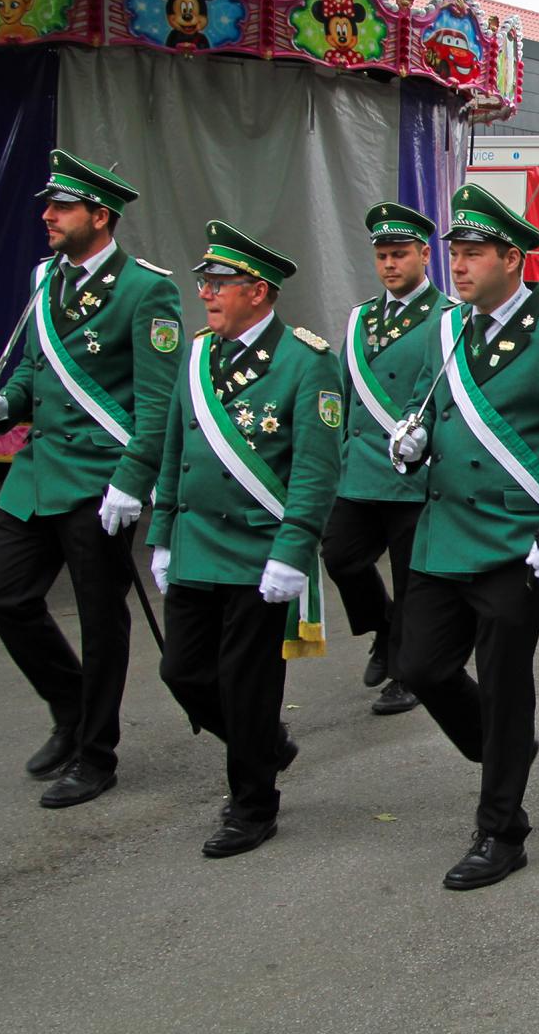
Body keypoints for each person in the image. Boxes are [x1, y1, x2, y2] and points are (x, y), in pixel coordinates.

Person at [390, 183, 539, 890]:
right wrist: (411, 440)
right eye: (453, 253)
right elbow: (425, 402)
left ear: (513, 258)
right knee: (420, 667)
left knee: (505, 684)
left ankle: (501, 830)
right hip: (445, 531)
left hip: (518, 542)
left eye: (473, 253)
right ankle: (505, 747)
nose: (457, 266)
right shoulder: (446, 329)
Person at [0, 150, 179, 808]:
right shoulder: (43, 279)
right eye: (48, 207)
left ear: (100, 216)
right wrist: (1, 405)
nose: (47, 217)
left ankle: (95, 753)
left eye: (61, 207)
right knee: (4, 597)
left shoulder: (146, 290)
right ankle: (72, 708)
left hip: (99, 479)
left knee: (101, 619)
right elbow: (34, 371)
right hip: (37, 471)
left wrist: (132, 481)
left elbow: (157, 404)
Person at [146, 222, 341, 858]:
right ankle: (266, 744)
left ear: (257, 292)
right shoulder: (197, 354)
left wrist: (295, 549)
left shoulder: (307, 363)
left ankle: (253, 804)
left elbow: (316, 470)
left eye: (219, 283)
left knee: (246, 684)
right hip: (195, 543)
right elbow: (174, 449)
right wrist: (162, 533)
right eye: (205, 282)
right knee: (182, 672)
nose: (205, 293)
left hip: (259, 552)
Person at [322, 202, 452, 716]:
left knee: (410, 577)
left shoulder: (449, 318)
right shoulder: (361, 318)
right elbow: (343, 392)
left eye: (400, 254)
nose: (390, 265)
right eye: (382, 256)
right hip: (360, 469)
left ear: (424, 255)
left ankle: (405, 674)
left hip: (413, 474)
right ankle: (383, 625)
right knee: (340, 556)